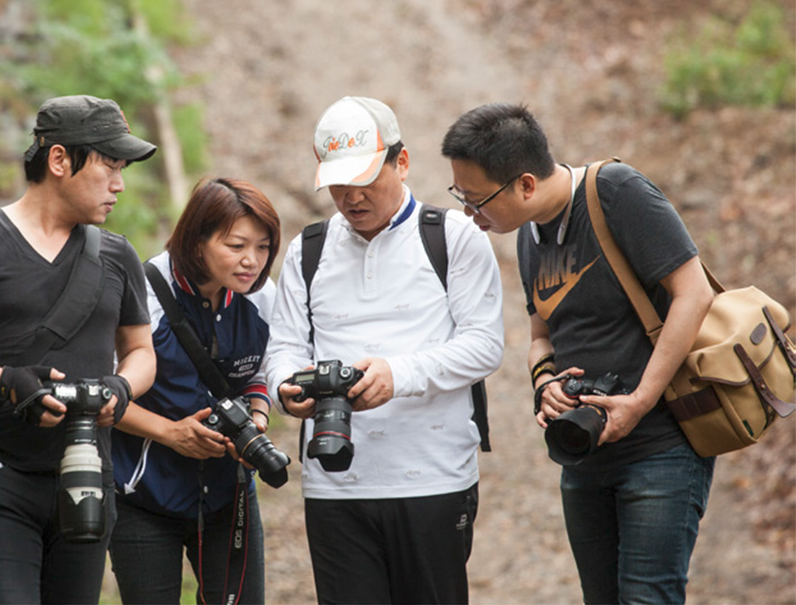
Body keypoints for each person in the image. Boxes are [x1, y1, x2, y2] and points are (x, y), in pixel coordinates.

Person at [441, 102, 716, 604]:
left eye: (478, 200)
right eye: (461, 196)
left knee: (647, 597)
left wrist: (640, 400)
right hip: (584, 454)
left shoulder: (615, 192)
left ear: (525, 183)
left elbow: (694, 293)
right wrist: (544, 383)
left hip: (661, 448)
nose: (469, 214)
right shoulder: (527, 233)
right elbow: (541, 336)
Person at [0, 94, 158, 604]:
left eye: (123, 168)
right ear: (60, 160)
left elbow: (141, 351)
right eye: (109, 165)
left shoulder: (116, 254)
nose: (119, 184)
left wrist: (120, 386)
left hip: (88, 475)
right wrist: (0, 379)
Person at [266, 95, 505, 604]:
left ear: (402, 162)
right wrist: (286, 389)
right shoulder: (307, 250)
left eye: (366, 181)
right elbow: (284, 345)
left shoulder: (455, 237)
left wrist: (399, 375)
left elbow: (484, 346)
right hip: (334, 483)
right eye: (338, 185)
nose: (352, 197)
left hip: (434, 479)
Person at [108, 177, 282, 605]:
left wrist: (256, 420)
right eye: (236, 245)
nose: (252, 262)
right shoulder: (143, 293)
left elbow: (257, 374)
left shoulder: (260, 298)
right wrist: (170, 433)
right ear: (197, 240)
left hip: (229, 494)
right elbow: (103, 395)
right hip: (144, 497)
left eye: (263, 247)